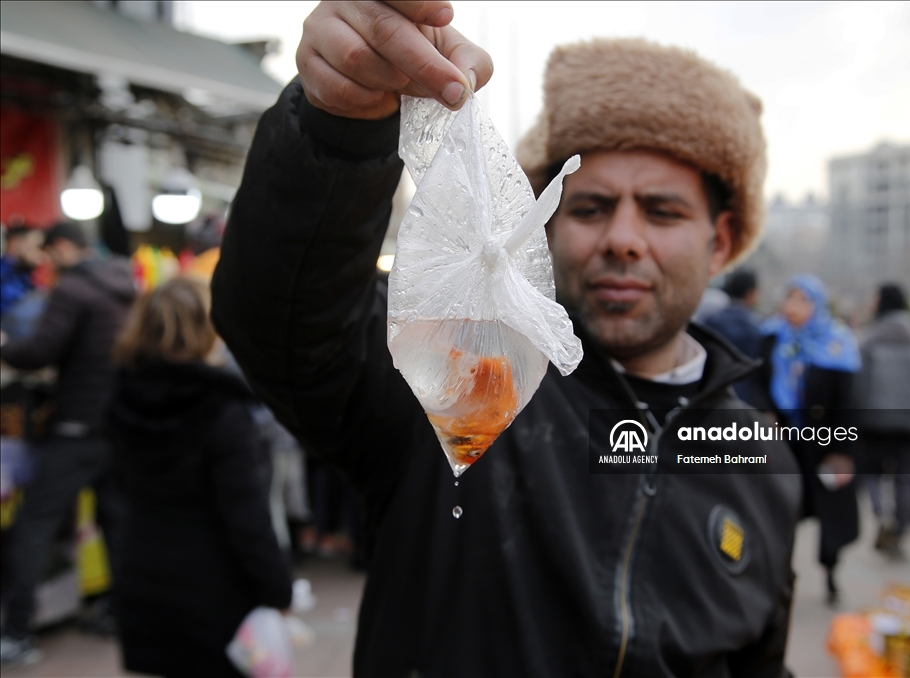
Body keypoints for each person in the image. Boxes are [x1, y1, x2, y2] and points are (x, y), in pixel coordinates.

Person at [212, 2, 801, 675]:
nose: (623, 240)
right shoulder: (467, 377)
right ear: (543, 223)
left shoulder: (763, 466)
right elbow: (285, 326)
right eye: (590, 206)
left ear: (720, 241)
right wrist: (339, 127)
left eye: (662, 212)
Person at [107, 277, 293, 677]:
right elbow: (248, 519)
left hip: (141, 575)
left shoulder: (120, 399)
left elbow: (116, 487)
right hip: (213, 588)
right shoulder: (223, 412)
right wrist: (278, 588)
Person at [0, 221, 135, 667]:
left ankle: (16, 632)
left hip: (76, 427)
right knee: (117, 524)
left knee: (33, 525)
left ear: (61, 247)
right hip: (113, 427)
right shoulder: (119, 285)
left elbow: (41, 350)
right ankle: (121, 614)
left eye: (44, 249)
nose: (42, 260)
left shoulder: (73, 290)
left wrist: (4, 346)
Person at [758, 274, 860, 606]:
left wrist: (844, 451)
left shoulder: (836, 343)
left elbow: (848, 402)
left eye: (802, 300)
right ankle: (777, 575)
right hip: (783, 440)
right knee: (780, 510)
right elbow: (756, 383)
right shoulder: (772, 338)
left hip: (825, 442)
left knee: (830, 511)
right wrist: (765, 413)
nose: (793, 307)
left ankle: (831, 573)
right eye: (790, 298)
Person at [856, 284, 910, 558]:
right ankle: (899, 530)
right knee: (908, 481)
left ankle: (882, 515)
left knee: (872, 474)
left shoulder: (867, 341)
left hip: (875, 420)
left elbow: (860, 386)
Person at [703, 268, 763, 406]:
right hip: (747, 401)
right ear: (750, 293)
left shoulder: (710, 321)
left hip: (712, 398)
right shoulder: (758, 328)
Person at [0, 224, 45, 319]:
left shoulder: (25, 274)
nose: (41, 254)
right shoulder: (5, 274)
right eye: (36, 246)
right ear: (15, 242)